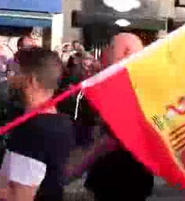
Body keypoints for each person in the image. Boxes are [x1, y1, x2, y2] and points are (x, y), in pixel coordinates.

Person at [84, 33, 154, 201]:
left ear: (126, 53)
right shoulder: (112, 84)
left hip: (123, 176)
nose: (105, 52)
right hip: (113, 175)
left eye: (111, 47)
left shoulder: (137, 89)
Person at [0, 47, 75, 201]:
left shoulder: (33, 129)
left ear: (31, 80)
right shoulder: (61, 122)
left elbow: (18, 197)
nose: (9, 79)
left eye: (14, 73)